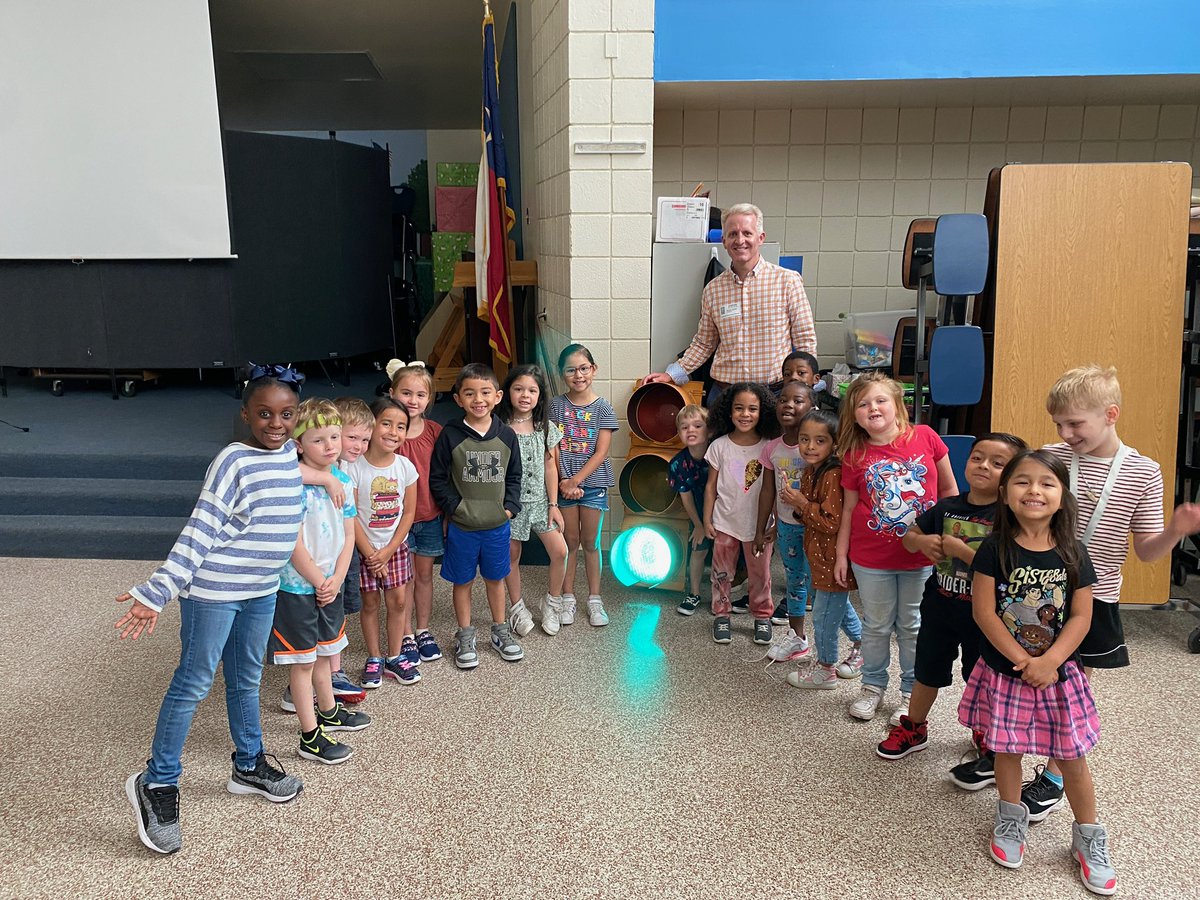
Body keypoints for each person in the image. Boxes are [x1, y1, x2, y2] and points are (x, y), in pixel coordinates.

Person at [117, 364, 306, 856]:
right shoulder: (232, 462)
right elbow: (200, 529)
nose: (275, 423)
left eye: (286, 414)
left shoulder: (289, 453)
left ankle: (248, 765)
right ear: (245, 414)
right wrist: (158, 590)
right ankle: (157, 783)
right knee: (195, 681)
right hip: (214, 591)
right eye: (264, 413)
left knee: (245, 679)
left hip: (261, 590)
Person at [1018, 364, 1200, 818]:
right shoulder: (1049, 457)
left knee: (1069, 688)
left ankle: (1057, 774)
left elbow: (1148, 552)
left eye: (1075, 423)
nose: (1065, 432)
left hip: (1092, 600)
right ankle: (1003, 749)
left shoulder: (1142, 471)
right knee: (1015, 674)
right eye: (1058, 423)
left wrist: (1175, 531)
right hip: (1033, 591)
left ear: (1111, 414)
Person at [958, 450, 1115, 895]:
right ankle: (1011, 819)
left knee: (1071, 757)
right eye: (1023, 482)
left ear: (1063, 496)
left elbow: (1082, 617)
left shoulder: (1072, 551)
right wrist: (1024, 661)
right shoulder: (993, 547)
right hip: (1007, 673)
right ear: (1005, 495)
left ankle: (1088, 838)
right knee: (1007, 750)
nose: (1034, 491)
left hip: (1060, 675)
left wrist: (1050, 662)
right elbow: (985, 612)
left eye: (1046, 483)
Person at [876, 432, 1026, 766]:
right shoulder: (947, 507)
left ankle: (985, 731)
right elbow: (910, 536)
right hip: (940, 609)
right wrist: (922, 543)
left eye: (997, 463)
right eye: (977, 458)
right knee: (926, 670)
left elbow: (1009, 572)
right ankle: (914, 726)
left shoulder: (1011, 518)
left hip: (987, 620)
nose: (983, 466)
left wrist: (964, 553)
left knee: (982, 678)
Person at [834, 371, 958, 723]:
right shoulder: (855, 455)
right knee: (876, 626)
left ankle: (910, 692)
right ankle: (872, 686)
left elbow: (950, 492)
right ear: (854, 415)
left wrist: (950, 542)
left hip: (921, 556)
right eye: (863, 403)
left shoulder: (926, 437)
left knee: (912, 624)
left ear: (897, 404)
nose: (872, 407)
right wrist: (842, 555)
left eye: (880, 400)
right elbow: (848, 508)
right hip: (871, 557)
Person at [271, 398, 370, 765]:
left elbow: (348, 535)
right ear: (298, 445)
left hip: (332, 583)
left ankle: (329, 712)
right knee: (304, 662)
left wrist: (338, 577)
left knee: (327, 652)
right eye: (318, 440)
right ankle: (309, 735)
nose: (330, 446)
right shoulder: (292, 483)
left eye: (334, 436)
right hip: (298, 587)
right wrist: (317, 579)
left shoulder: (342, 479)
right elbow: (293, 542)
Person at [643, 203, 817, 404]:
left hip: (774, 395)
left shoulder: (787, 281)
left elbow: (805, 339)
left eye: (747, 233)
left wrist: (804, 388)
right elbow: (704, 343)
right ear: (724, 241)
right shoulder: (713, 290)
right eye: (733, 234)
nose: (740, 240)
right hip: (725, 396)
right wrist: (671, 374)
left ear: (760, 238)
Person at [429, 363, 524, 668]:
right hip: (462, 527)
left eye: (485, 392)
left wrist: (509, 508)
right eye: (469, 393)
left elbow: (514, 476)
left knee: (497, 579)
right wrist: (456, 508)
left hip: (497, 526)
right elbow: (438, 478)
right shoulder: (450, 435)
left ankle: (499, 630)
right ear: (458, 398)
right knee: (463, 582)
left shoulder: (507, 435)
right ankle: (465, 635)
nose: (478, 399)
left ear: (497, 396)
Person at [785, 409, 864, 688]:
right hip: (818, 557)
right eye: (804, 439)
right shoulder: (810, 471)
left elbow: (832, 522)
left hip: (833, 559)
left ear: (834, 444)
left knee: (823, 617)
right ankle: (862, 645)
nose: (810, 446)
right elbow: (808, 512)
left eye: (819, 441)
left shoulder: (833, 475)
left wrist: (801, 504)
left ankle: (825, 669)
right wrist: (799, 505)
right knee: (835, 609)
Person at [346, 397, 419, 688]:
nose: (393, 432)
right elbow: (349, 514)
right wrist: (370, 554)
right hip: (364, 548)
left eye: (401, 426)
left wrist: (387, 552)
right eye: (386, 423)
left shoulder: (405, 467)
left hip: (394, 548)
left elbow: (409, 512)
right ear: (371, 425)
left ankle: (395, 656)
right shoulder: (354, 467)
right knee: (370, 602)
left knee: (399, 601)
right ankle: (374, 656)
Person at [704, 382, 781, 645]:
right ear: (728, 411)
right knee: (721, 573)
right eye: (739, 408)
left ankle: (762, 617)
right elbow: (710, 487)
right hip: (725, 522)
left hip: (759, 527)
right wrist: (706, 519)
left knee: (761, 574)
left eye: (752, 409)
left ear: (763, 412)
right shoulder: (719, 446)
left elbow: (774, 488)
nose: (745, 414)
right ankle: (722, 615)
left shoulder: (770, 447)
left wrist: (775, 523)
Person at [497, 364, 569, 636]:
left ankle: (551, 601)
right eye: (518, 389)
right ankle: (517, 607)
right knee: (511, 556)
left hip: (541, 503)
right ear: (507, 392)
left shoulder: (546, 428)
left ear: (540, 396)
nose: (525, 395)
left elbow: (551, 467)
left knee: (559, 551)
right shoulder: (499, 427)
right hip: (511, 505)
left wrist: (554, 504)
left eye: (532, 390)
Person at [551, 343, 619, 627]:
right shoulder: (556, 405)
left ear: (594, 370)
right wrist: (565, 481)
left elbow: (601, 451)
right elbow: (552, 448)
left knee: (591, 543)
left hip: (593, 484)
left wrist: (577, 480)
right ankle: (567, 598)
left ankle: (594, 598)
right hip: (563, 484)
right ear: (562, 374)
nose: (578, 375)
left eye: (583, 368)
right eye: (571, 370)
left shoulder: (603, 406)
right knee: (570, 542)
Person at [389, 361, 445, 665]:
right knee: (403, 579)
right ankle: (406, 632)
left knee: (424, 576)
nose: (413, 400)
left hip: (429, 516)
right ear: (392, 392)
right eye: (406, 392)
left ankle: (423, 629)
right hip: (395, 521)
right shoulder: (385, 433)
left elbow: (444, 474)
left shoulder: (436, 432)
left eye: (420, 394)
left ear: (429, 399)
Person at [756, 381, 815, 660]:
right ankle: (797, 638)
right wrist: (763, 528)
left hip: (818, 528)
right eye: (783, 400)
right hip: (788, 528)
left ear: (811, 407)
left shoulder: (817, 449)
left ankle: (856, 641)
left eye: (798, 401)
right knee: (795, 582)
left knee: (825, 587)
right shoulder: (772, 449)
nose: (788, 405)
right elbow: (768, 490)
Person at [325, 397, 375, 698]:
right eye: (352, 437)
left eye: (364, 439)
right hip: (324, 555)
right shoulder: (324, 469)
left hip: (344, 552)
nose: (358, 445)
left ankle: (334, 671)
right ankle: (319, 678)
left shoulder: (346, 468)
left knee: (338, 613)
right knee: (326, 616)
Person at [667, 404, 711, 616]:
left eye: (697, 425)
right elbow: (686, 498)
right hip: (699, 511)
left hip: (725, 510)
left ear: (709, 430)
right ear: (679, 434)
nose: (690, 430)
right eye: (684, 427)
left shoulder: (719, 453)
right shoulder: (678, 464)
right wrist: (700, 525)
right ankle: (694, 592)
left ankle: (724, 596)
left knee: (724, 553)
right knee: (698, 548)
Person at [782, 349, 839, 413]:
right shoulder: (780, 409)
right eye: (787, 374)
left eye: (801, 373)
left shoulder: (816, 419)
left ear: (816, 379)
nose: (793, 377)